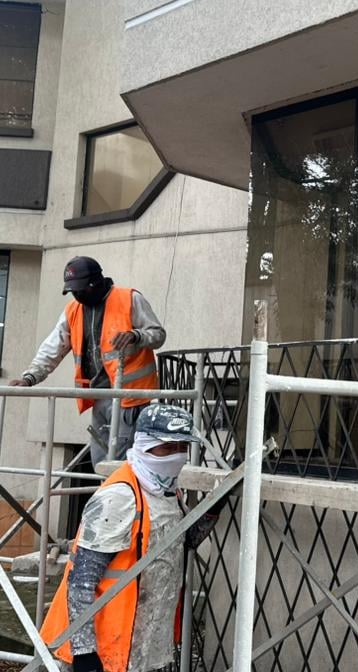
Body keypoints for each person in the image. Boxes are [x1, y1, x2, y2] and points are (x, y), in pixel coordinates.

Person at [40, 404, 226, 672]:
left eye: (182, 447)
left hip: (142, 645)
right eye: (167, 447)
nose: (176, 456)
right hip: (105, 649)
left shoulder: (167, 491)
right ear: (145, 445)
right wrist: (84, 652)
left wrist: (212, 509)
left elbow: (183, 543)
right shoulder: (119, 497)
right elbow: (81, 581)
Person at [9, 256, 166, 465]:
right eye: (73, 291)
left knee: (119, 462)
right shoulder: (73, 310)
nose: (77, 295)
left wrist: (136, 335)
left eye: (81, 290)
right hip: (98, 396)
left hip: (130, 397)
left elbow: (158, 335)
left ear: (96, 282)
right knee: (100, 461)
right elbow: (53, 347)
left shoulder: (129, 299)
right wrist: (30, 378)